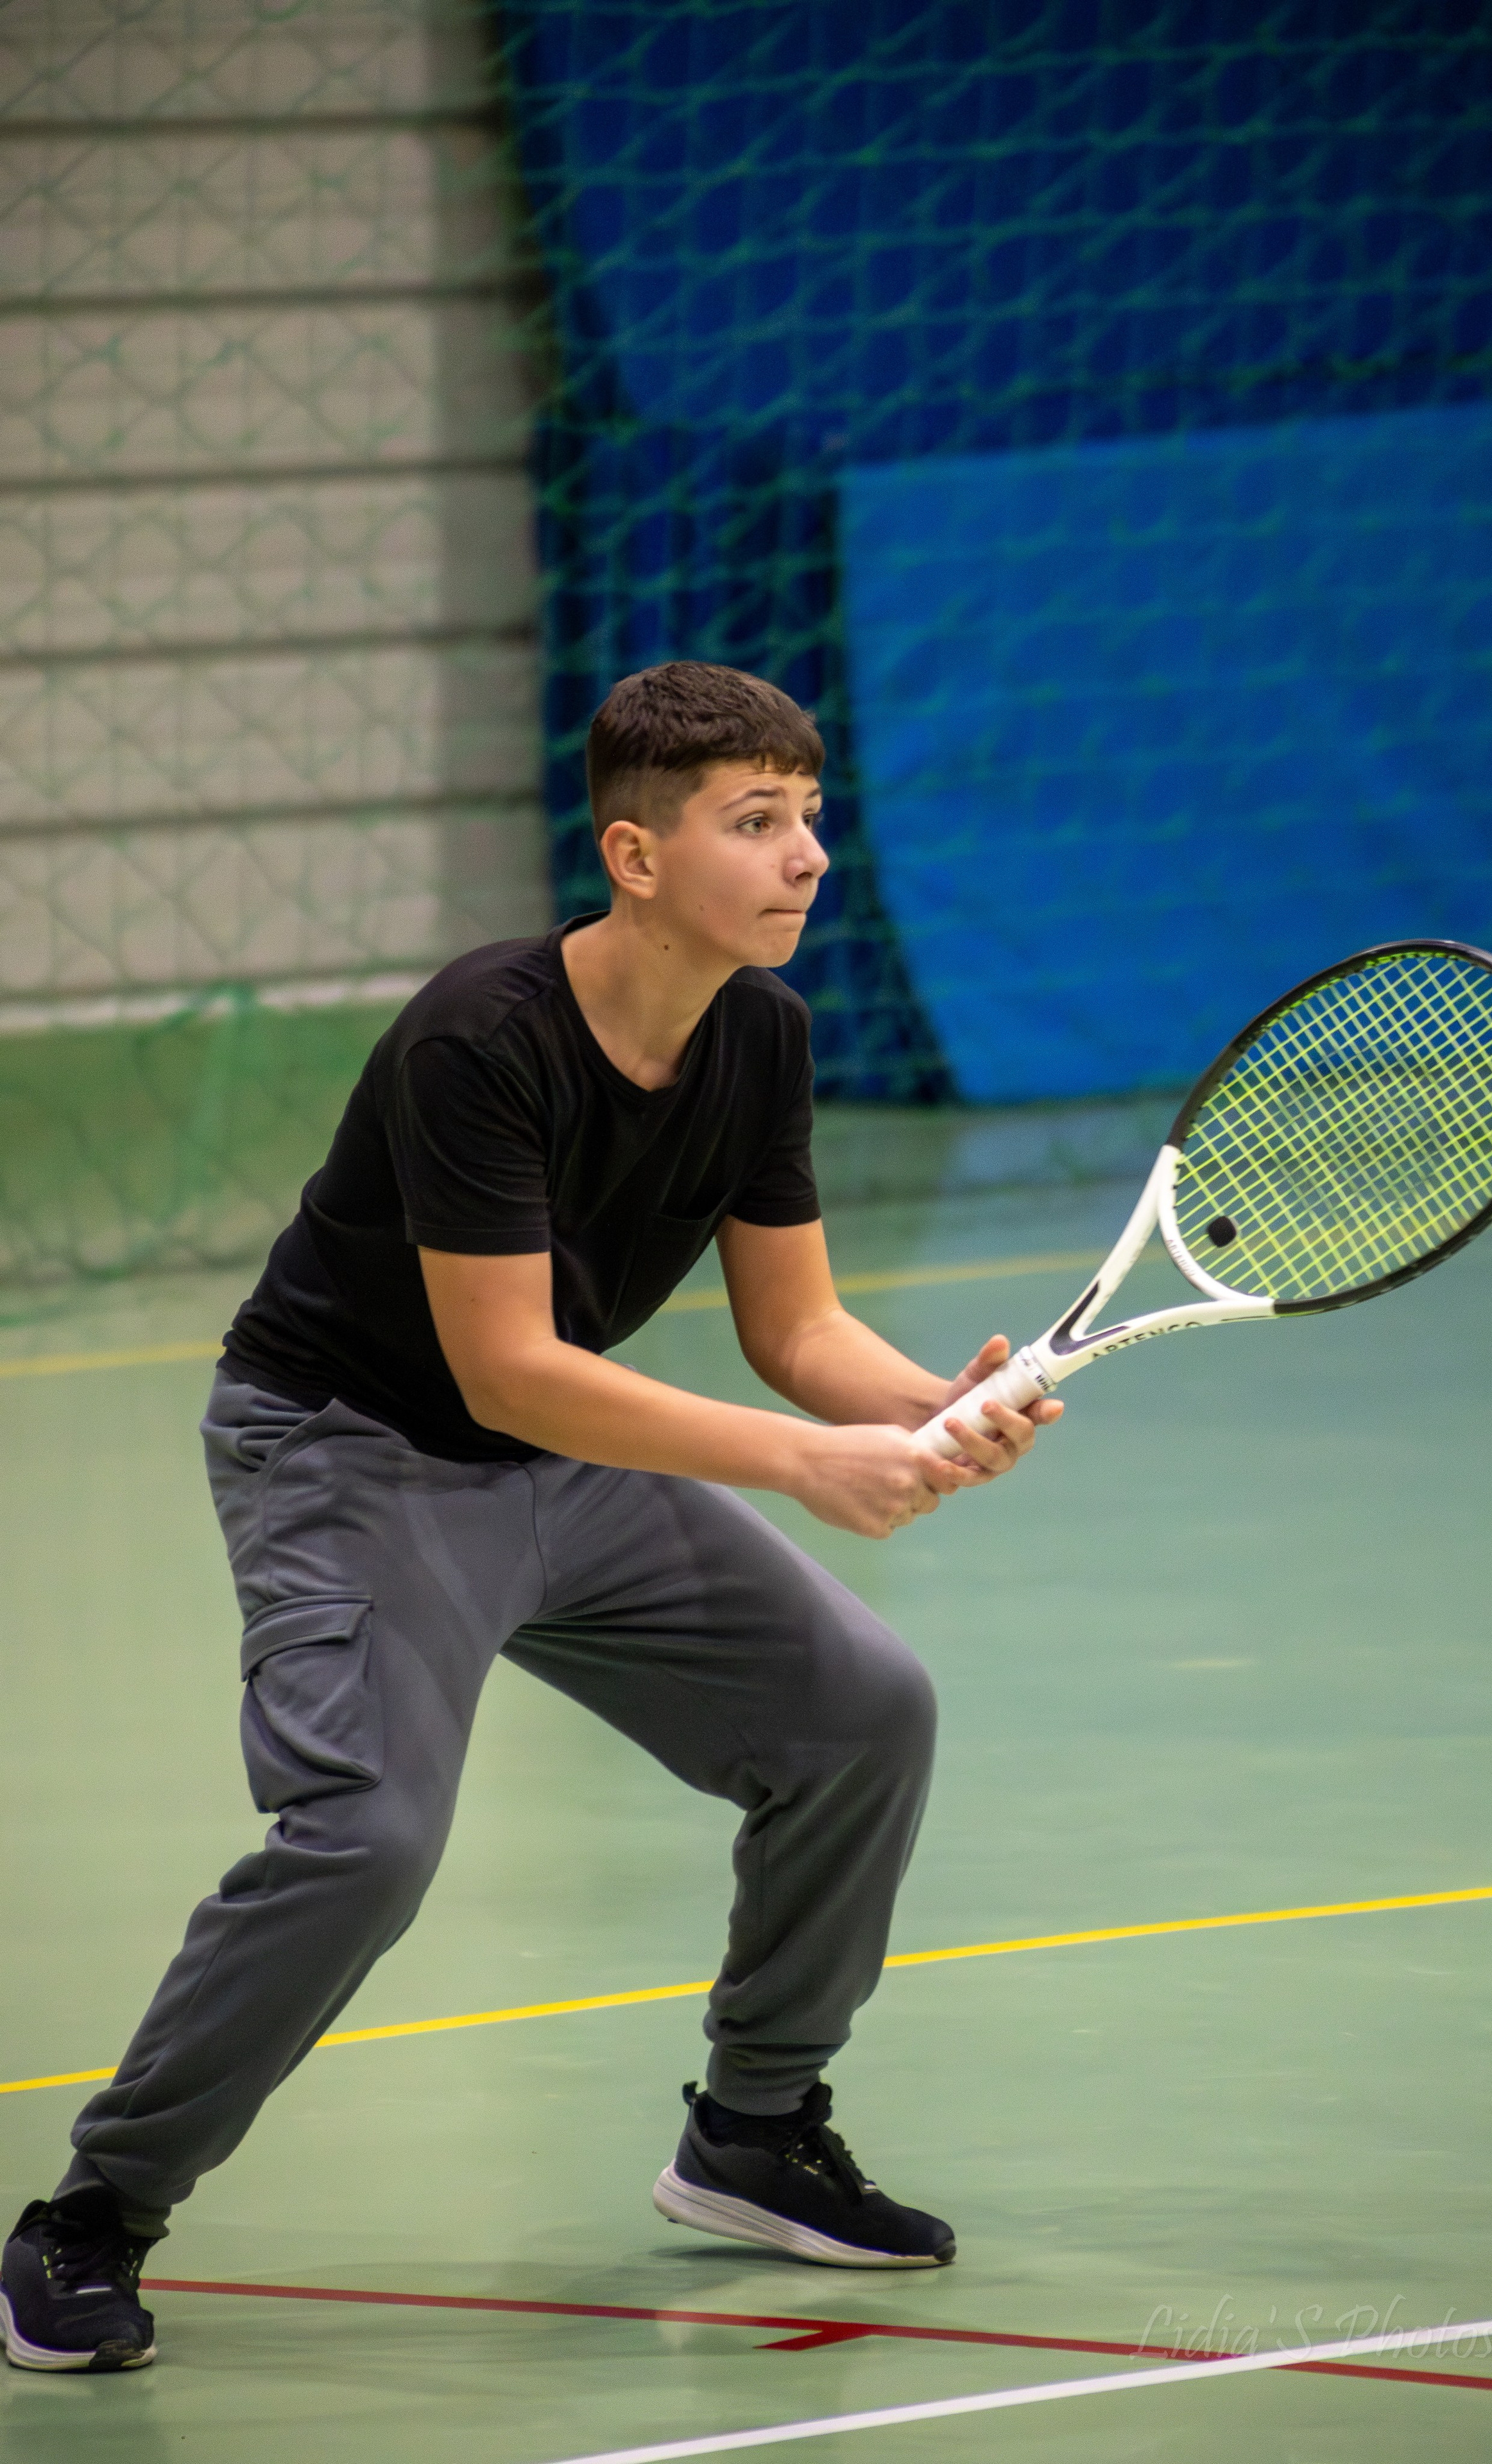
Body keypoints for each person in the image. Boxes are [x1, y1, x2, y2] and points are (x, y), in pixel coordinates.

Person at [1, 662, 1058, 2374]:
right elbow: (507, 1372)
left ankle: (754, 2134)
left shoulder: (762, 1034)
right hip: (351, 1456)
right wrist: (804, 1467)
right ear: (634, 855)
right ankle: (92, 2216)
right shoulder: (479, 1039)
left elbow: (797, 1332)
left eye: (812, 818)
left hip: (563, 1461)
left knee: (865, 1712)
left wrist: (926, 1405)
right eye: (757, 822)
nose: (808, 861)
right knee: (363, 1844)